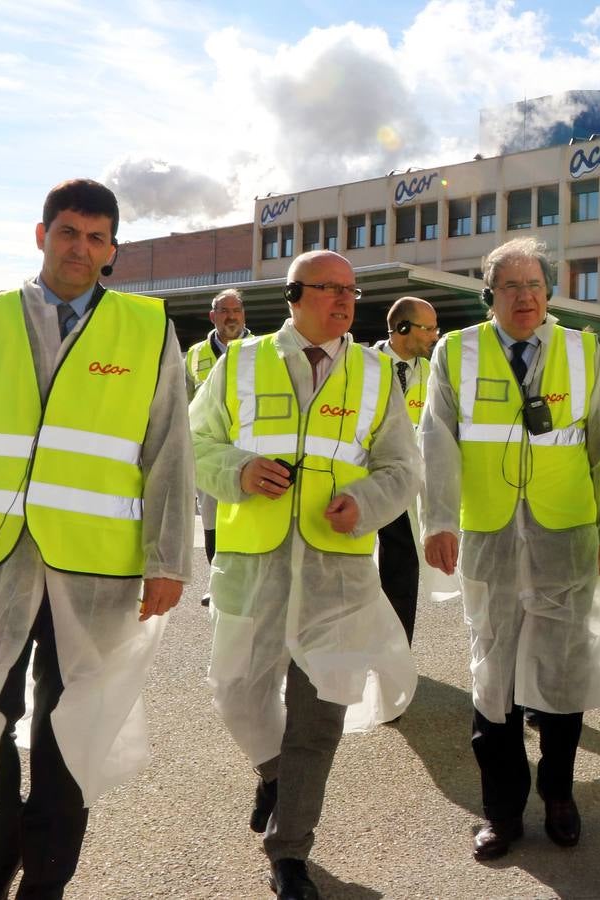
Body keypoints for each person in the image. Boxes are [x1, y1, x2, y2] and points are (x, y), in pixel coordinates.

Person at [0, 178, 193, 899]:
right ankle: (1, 845)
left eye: (97, 237)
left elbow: (169, 447)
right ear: (40, 234)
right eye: (69, 231)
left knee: (71, 728)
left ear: (112, 250)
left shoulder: (145, 327)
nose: (81, 248)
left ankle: (47, 875)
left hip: (96, 565)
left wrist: (169, 557)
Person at [190, 250, 419, 900]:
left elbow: (403, 468)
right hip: (250, 565)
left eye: (351, 290)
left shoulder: (376, 374)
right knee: (237, 691)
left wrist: (367, 504)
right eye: (330, 289)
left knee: (319, 719)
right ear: (295, 296)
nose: (345, 301)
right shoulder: (240, 364)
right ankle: (275, 776)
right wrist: (236, 470)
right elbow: (194, 442)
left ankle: (290, 852)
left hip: (337, 576)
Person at [422, 237, 600, 863]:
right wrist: (438, 519)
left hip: (564, 537)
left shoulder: (582, 348)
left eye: (535, 285)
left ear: (549, 292)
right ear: (490, 294)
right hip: (488, 537)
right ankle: (502, 812)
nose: (526, 297)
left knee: (562, 674)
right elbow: (437, 441)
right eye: (511, 286)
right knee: (494, 678)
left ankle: (561, 797)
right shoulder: (455, 351)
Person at [372, 296, 439, 643]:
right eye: (427, 328)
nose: (434, 336)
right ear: (401, 328)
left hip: (403, 483)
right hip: (361, 481)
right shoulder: (362, 366)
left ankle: (396, 648)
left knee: (401, 564)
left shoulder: (432, 373)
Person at [185, 289, 250, 606]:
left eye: (235, 310)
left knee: (247, 517)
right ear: (213, 316)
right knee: (211, 519)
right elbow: (184, 403)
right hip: (209, 452)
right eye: (223, 311)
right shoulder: (195, 355)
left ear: (244, 314)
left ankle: (247, 584)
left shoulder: (261, 350)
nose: (231, 316)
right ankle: (217, 582)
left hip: (249, 450)